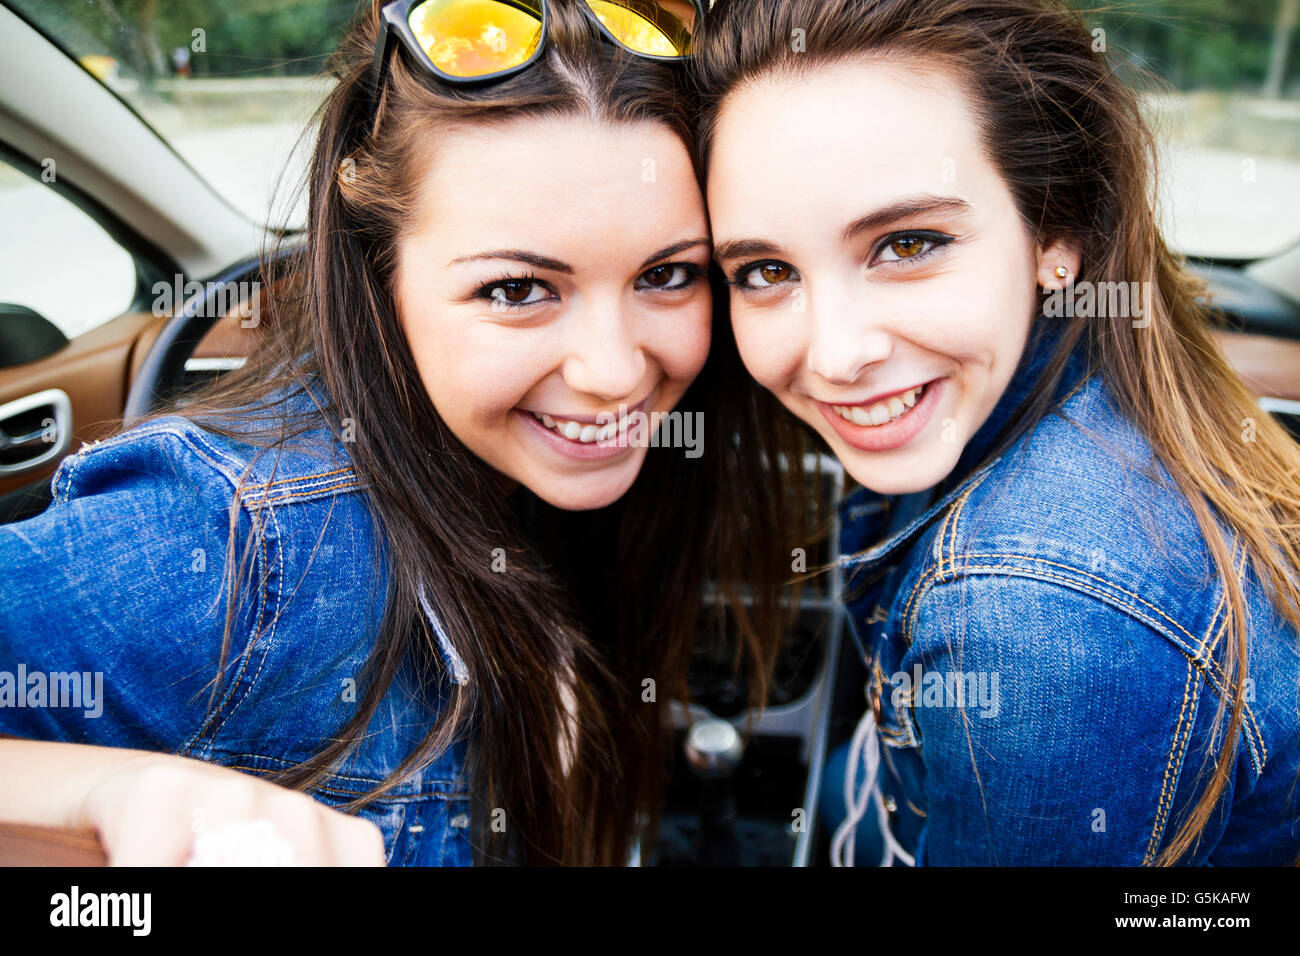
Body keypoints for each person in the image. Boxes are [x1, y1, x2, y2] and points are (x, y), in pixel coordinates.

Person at [0, 0, 799, 867]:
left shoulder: (554, 483)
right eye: (517, 290)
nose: (612, 371)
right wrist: (108, 797)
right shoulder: (251, 537)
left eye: (667, 274)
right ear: (381, 273)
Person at [694, 0, 1300, 864]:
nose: (834, 355)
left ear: (1055, 232)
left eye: (907, 244)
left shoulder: (1031, 610)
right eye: (765, 271)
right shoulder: (1064, 383)